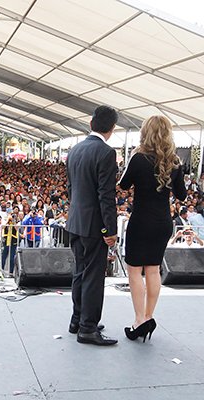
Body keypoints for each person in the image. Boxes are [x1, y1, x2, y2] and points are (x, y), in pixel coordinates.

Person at [119, 115, 187, 341]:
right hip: (162, 223)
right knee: (153, 269)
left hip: (141, 221)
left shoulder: (138, 158)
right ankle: (149, 315)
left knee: (134, 270)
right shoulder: (175, 161)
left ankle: (140, 319)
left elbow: (124, 185)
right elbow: (182, 194)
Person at [66, 105, 119, 346]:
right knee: (94, 277)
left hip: (75, 222)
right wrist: (110, 230)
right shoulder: (106, 153)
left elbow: (71, 190)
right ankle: (88, 328)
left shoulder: (75, 150)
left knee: (80, 272)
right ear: (112, 129)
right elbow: (106, 196)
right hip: (94, 226)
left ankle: (77, 319)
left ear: (91, 123)